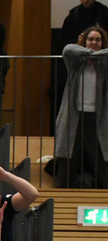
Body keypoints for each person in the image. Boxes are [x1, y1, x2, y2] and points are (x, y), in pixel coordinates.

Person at [53, 25, 108, 189]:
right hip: (74, 117)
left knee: (101, 160)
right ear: (84, 41)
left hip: (97, 118)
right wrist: (89, 53)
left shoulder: (104, 65)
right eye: (90, 39)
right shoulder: (76, 63)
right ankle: (61, 196)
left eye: (98, 40)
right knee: (68, 158)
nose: (94, 42)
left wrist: (95, 55)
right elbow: (67, 49)